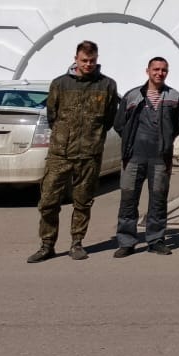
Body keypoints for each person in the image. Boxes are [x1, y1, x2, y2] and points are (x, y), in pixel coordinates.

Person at [27, 40, 119, 263]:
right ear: (75, 59)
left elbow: (108, 119)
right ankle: (47, 245)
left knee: (83, 202)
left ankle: (77, 243)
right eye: (84, 60)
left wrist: (92, 139)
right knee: (48, 202)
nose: (88, 64)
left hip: (89, 154)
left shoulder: (107, 85)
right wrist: (64, 137)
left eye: (92, 60)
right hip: (60, 154)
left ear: (97, 60)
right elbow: (52, 115)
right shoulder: (60, 84)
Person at [111, 57, 179, 258]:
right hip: (133, 157)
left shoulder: (175, 97)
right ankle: (126, 242)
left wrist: (166, 139)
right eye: (156, 69)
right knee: (128, 200)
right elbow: (119, 124)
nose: (159, 73)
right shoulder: (132, 96)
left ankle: (156, 240)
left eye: (163, 70)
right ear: (148, 71)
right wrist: (131, 140)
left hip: (160, 158)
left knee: (158, 200)